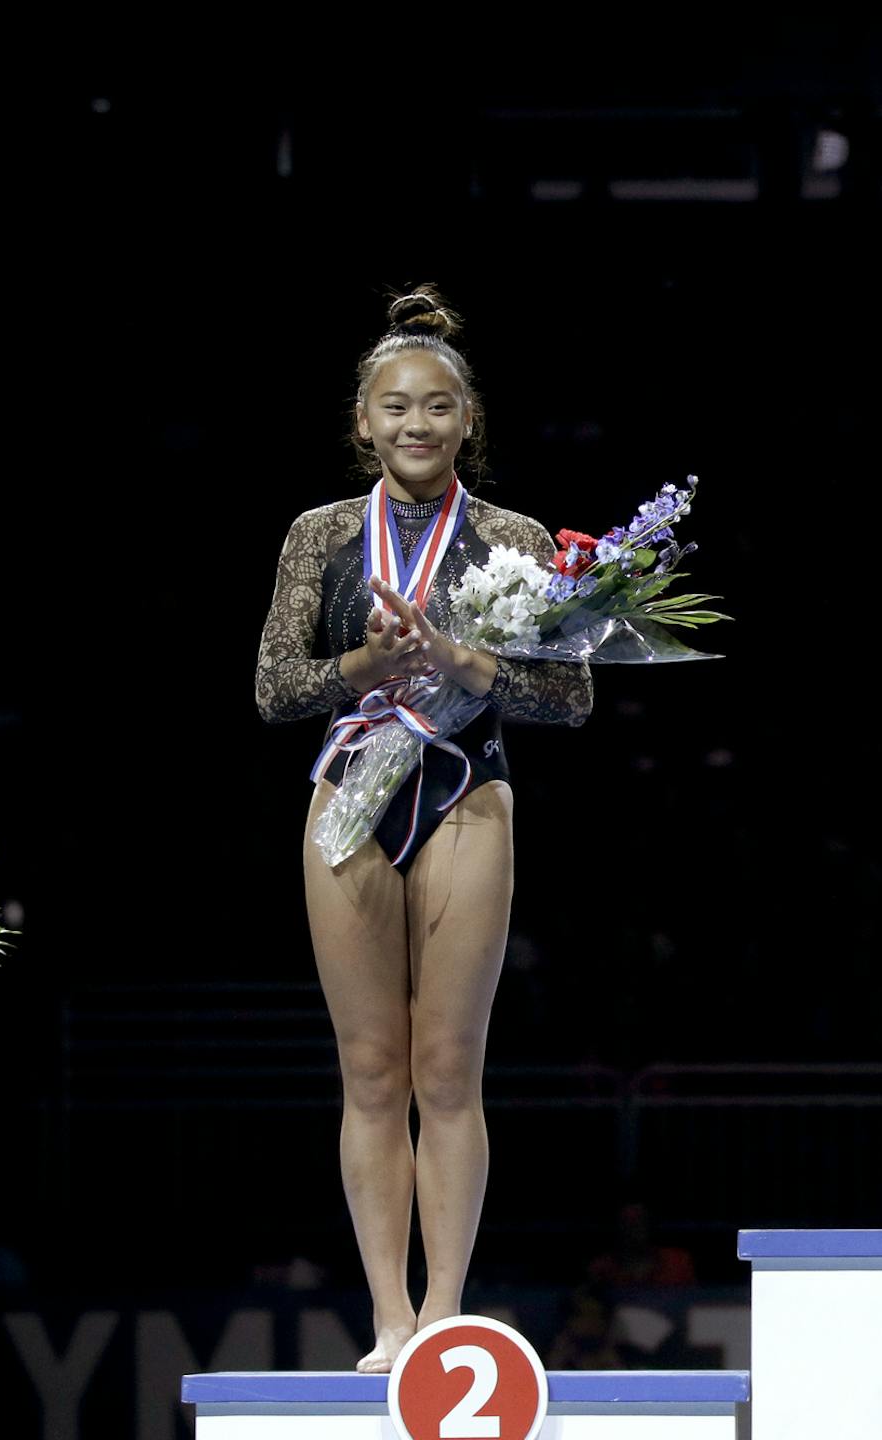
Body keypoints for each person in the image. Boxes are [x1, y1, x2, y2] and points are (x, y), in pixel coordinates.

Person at [254, 288, 593, 1371]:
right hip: (351, 798)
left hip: (465, 794)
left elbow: (569, 695)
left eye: (437, 407)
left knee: (448, 1067)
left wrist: (458, 663)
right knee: (370, 1069)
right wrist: (368, 666)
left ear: (466, 422)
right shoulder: (317, 536)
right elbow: (273, 687)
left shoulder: (513, 537)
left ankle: (445, 1309)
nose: (415, 423)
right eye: (394, 407)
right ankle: (388, 1316)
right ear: (364, 423)